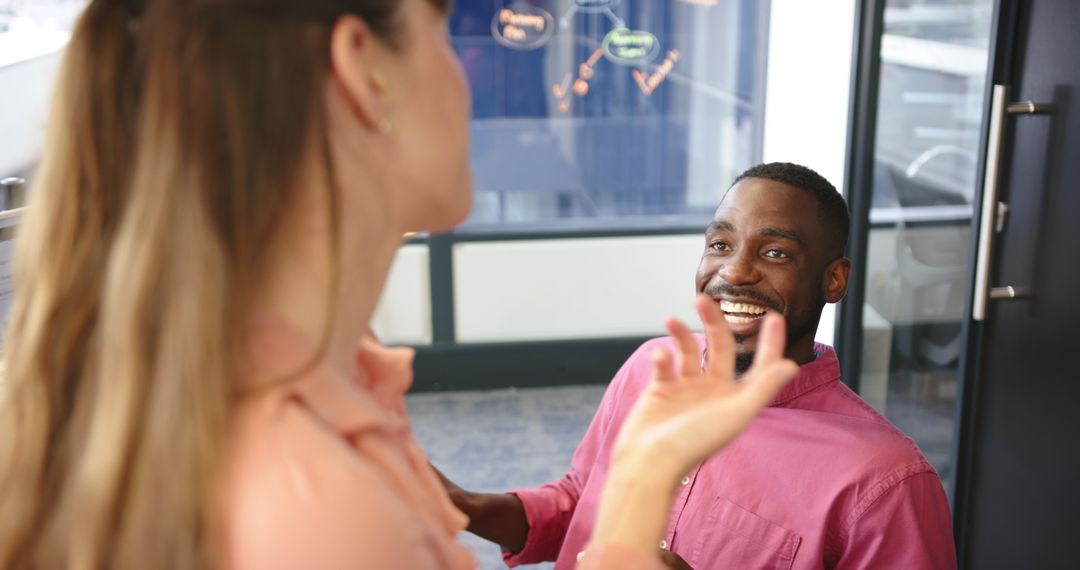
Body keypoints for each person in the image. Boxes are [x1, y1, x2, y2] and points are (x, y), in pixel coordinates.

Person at [0, 1, 798, 568]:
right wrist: (639, 497)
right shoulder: (320, 511)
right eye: (441, 31)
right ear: (366, 72)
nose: (465, 80)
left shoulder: (322, 376)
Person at [441, 162, 958, 569]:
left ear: (834, 280)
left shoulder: (886, 482)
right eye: (720, 245)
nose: (735, 270)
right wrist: (464, 506)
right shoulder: (654, 366)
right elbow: (581, 502)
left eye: (775, 253)